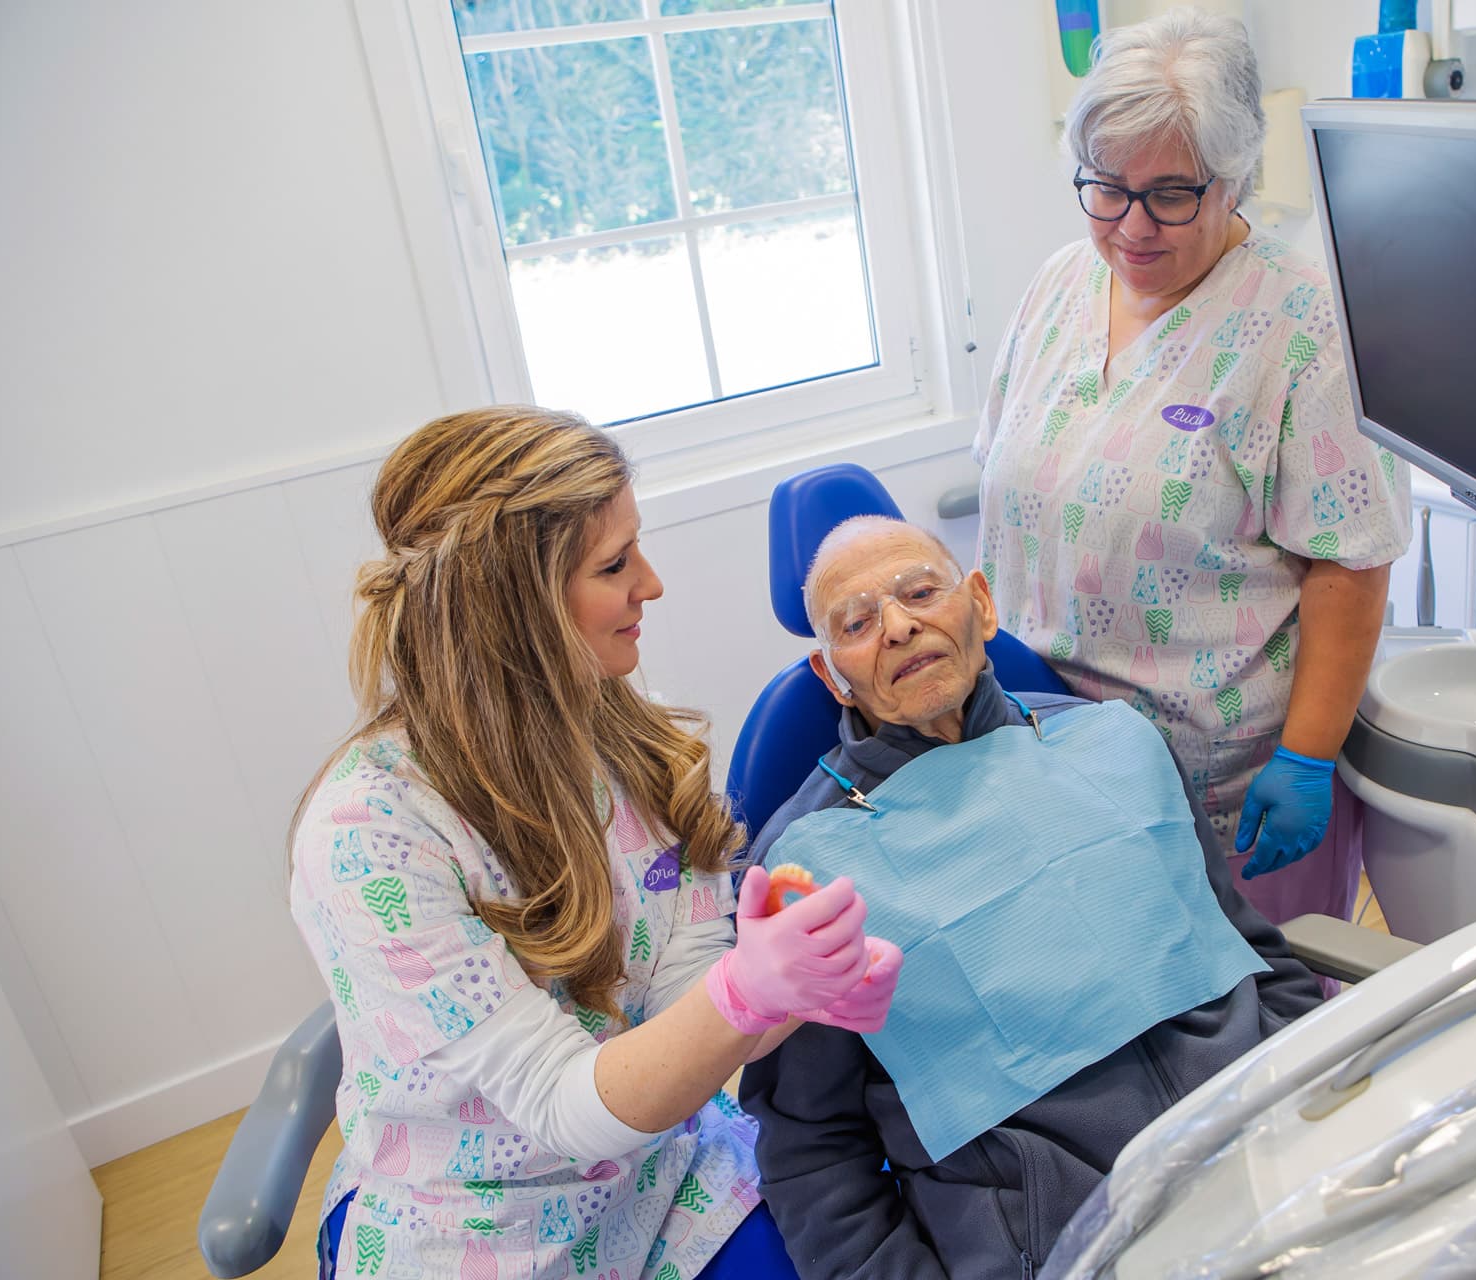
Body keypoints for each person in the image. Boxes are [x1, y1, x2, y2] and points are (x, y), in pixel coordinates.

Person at [287, 407, 900, 1280]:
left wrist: (798, 990)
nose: (650, 584)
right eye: (614, 565)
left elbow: (693, 1006)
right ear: (512, 606)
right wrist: (745, 993)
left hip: (660, 1179)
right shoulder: (370, 835)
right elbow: (561, 1106)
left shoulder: (619, 739)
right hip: (473, 1231)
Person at [738, 516, 1324, 1280]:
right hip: (1067, 1235)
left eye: (920, 591)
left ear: (980, 604)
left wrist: (1333, 1088)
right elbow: (811, 1150)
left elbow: (1250, 949)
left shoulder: (1115, 741)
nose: (900, 626)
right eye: (857, 622)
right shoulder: (808, 869)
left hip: (1274, 1146)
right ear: (831, 674)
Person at [973, 10, 1413, 926]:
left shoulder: (1302, 328)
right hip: (1043, 755)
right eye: (1106, 188)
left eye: (1172, 193)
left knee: (1254, 1036)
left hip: (1221, 790)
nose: (1133, 225)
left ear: (1237, 176)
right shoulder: (1059, 284)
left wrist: (1308, 758)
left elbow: (1351, 560)